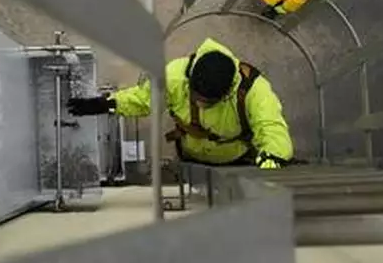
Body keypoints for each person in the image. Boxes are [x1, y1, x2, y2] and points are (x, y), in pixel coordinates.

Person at [67, 38, 293, 168]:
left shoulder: (253, 90)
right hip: (189, 153)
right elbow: (144, 99)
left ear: (228, 92)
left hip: (233, 159)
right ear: (191, 81)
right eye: (197, 98)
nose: (201, 105)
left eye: (209, 102)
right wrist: (106, 104)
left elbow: (271, 126)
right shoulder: (175, 77)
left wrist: (273, 157)